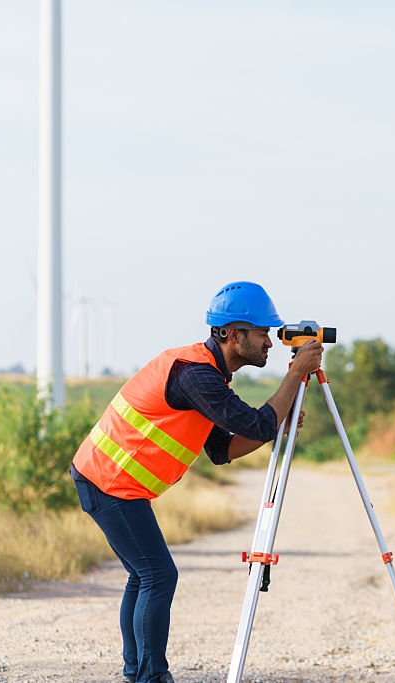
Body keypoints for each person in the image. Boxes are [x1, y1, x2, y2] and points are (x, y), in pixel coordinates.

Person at [68, 281, 323, 683]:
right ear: (234, 335)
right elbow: (256, 423)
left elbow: (222, 449)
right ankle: (151, 677)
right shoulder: (195, 376)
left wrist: (275, 424)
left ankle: (137, 673)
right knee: (158, 575)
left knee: (144, 575)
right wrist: (295, 376)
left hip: (114, 482)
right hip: (109, 481)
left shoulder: (206, 377)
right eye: (263, 333)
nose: (270, 342)